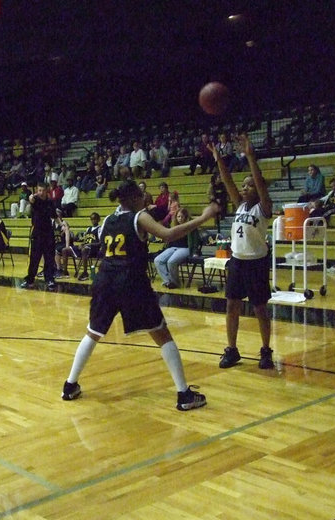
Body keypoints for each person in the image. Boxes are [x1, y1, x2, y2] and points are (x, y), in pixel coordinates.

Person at [61, 180, 207, 411]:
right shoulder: (139, 217)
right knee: (161, 333)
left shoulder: (108, 220)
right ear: (134, 198)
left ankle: (70, 385)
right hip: (131, 281)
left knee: (93, 332)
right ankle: (184, 394)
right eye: (142, 195)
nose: (145, 199)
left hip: (105, 280)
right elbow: (168, 234)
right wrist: (203, 218)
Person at [211, 134, 275, 370]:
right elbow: (228, 181)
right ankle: (232, 349)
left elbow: (260, 183)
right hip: (237, 262)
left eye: (249, 185)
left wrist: (250, 156)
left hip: (256, 263)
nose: (245, 187)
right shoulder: (239, 205)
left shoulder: (263, 207)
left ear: (258, 189)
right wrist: (219, 160)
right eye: (244, 185)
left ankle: (266, 350)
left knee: (260, 308)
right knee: (231, 306)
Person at [20, 182, 57, 290]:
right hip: (37, 233)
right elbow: (31, 200)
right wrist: (30, 198)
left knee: (49, 258)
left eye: (43, 190)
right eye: (39, 190)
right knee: (34, 258)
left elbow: (54, 216)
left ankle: (49, 279)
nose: (41, 192)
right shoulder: (35, 199)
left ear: (46, 191)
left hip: (48, 233)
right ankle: (30, 280)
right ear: (37, 190)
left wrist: (62, 224)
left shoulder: (50, 202)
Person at [154, 207, 193, 289]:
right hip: (173, 247)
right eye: (178, 216)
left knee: (171, 262)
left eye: (182, 216)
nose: (180, 218)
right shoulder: (173, 227)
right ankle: (168, 281)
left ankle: (175, 283)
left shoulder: (190, 227)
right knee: (157, 260)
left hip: (185, 248)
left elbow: (195, 240)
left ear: (185, 217)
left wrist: (195, 252)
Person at [75, 212, 102, 280]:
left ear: (98, 219)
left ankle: (85, 272)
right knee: (70, 249)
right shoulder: (88, 229)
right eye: (92, 219)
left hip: (94, 249)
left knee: (84, 249)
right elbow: (85, 241)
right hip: (86, 247)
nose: (93, 220)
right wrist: (82, 244)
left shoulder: (100, 229)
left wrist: (90, 244)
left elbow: (100, 243)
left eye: (94, 219)